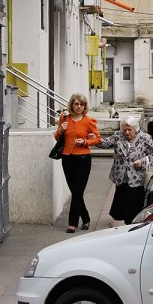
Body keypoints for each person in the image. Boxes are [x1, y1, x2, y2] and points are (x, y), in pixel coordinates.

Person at [54, 92, 101, 233]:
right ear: (72, 105)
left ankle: (72, 223)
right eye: (76, 104)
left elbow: (98, 139)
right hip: (67, 158)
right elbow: (57, 138)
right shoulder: (64, 118)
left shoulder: (89, 121)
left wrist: (85, 141)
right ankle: (86, 218)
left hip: (83, 159)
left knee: (77, 191)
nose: (79, 106)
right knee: (75, 191)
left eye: (81, 104)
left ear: (84, 106)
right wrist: (61, 130)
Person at [107, 115, 153, 225]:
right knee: (123, 201)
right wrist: (91, 138)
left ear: (135, 129)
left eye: (130, 130)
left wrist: (142, 162)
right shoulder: (118, 136)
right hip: (121, 177)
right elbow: (105, 143)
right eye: (125, 130)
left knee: (134, 203)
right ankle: (126, 223)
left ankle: (132, 223)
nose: (127, 132)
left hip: (137, 178)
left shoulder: (145, 138)